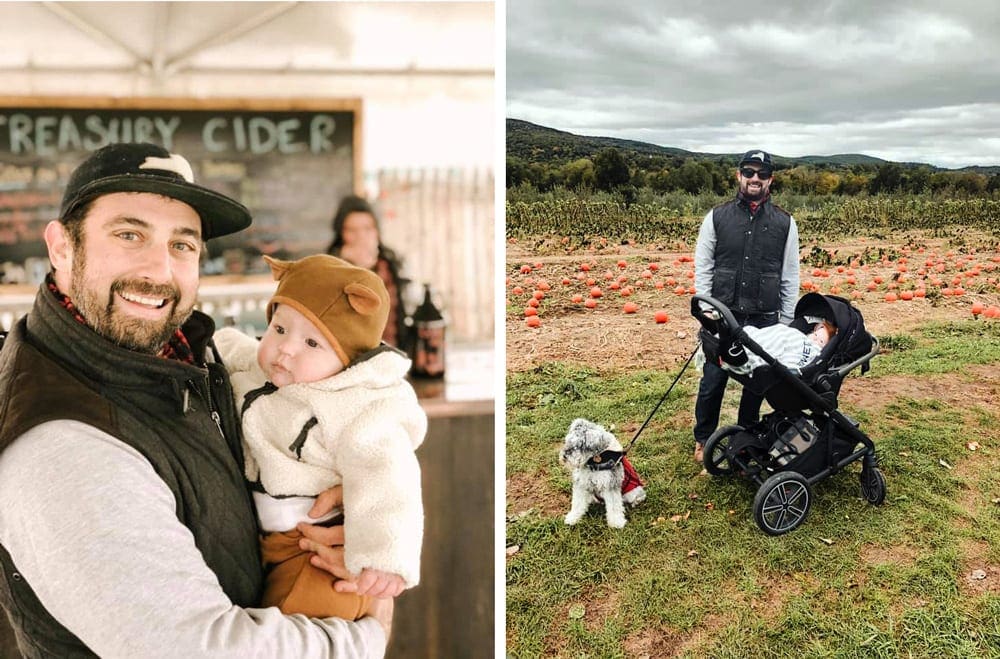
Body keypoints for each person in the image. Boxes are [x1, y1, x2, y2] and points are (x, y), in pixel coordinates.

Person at [0, 142, 391, 657]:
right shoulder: (62, 446)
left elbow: (332, 407)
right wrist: (368, 635)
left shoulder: (185, 359)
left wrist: (350, 496)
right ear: (61, 248)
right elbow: (199, 647)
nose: (159, 270)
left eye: (182, 244)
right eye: (128, 234)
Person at [213, 254, 426, 621]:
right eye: (279, 329)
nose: (287, 348)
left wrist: (383, 556)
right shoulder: (258, 368)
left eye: (313, 343)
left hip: (318, 553)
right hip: (266, 540)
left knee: (297, 631)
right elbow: (227, 346)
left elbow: (388, 476)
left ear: (347, 359)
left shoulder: (358, 406)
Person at [693, 149, 801, 463]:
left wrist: (786, 320)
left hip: (764, 318)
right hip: (722, 315)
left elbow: (789, 274)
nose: (755, 179)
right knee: (713, 380)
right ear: (739, 175)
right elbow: (704, 267)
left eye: (762, 174)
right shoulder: (716, 216)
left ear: (771, 180)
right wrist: (706, 309)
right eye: (749, 172)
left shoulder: (785, 223)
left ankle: (746, 439)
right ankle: (704, 438)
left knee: (757, 383)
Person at [326, 195, 409, 350]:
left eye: (367, 228)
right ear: (341, 233)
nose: (361, 237)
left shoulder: (391, 262)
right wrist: (355, 267)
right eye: (352, 230)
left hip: (391, 351)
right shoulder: (329, 266)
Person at [722, 319, 836, 374]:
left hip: (786, 351)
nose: (814, 339)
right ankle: (737, 343)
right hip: (782, 337)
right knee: (766, 335)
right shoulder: (799, 335)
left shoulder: (816, 353)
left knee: (766, 351)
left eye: (820, 341)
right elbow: (783, 334)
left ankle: (745, 355)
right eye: (815, 335)